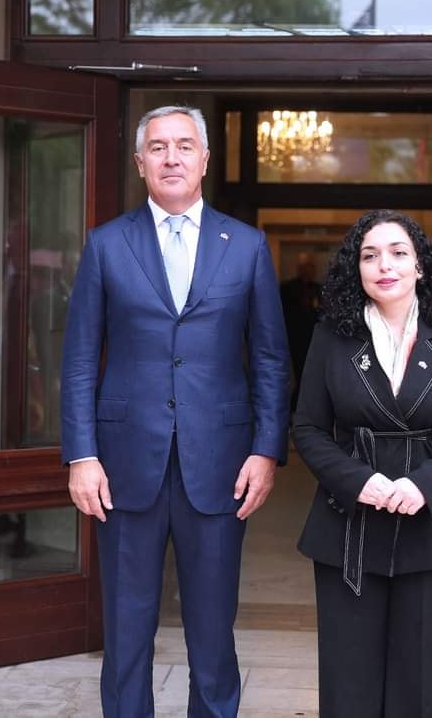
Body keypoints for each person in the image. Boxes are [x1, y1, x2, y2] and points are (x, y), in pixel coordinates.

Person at [60, 105, 290, 717]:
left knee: (213, 631)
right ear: (140, 163)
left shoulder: (246, 245)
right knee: (126, 630)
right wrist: (81, 455)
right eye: (158, 147)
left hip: (220, 464)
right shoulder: (107, 243)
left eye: (184, 146)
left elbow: (270, 358)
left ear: (204, 160)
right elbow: (79, 359)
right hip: (122, 464)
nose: (171, 158)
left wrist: (267, 450)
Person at [292, 209, 432, 717]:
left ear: (420, 266)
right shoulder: (331, 338)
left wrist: (426, 484)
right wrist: (357, 481)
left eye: (398, 253)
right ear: (356, 270)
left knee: (423, 687)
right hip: (349, 526)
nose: (385, 265)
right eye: (370, 255)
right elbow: (307, 428)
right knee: (349, 686)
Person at [280, 251, 322, 411]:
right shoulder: (287, 289)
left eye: (311, 267)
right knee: (297, 376)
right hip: (293, 340)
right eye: (304, 267)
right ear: (299, 268)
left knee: (312, 376)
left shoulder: (319, 289)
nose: (308, 270)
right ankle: (293, 409)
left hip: (314, 341)